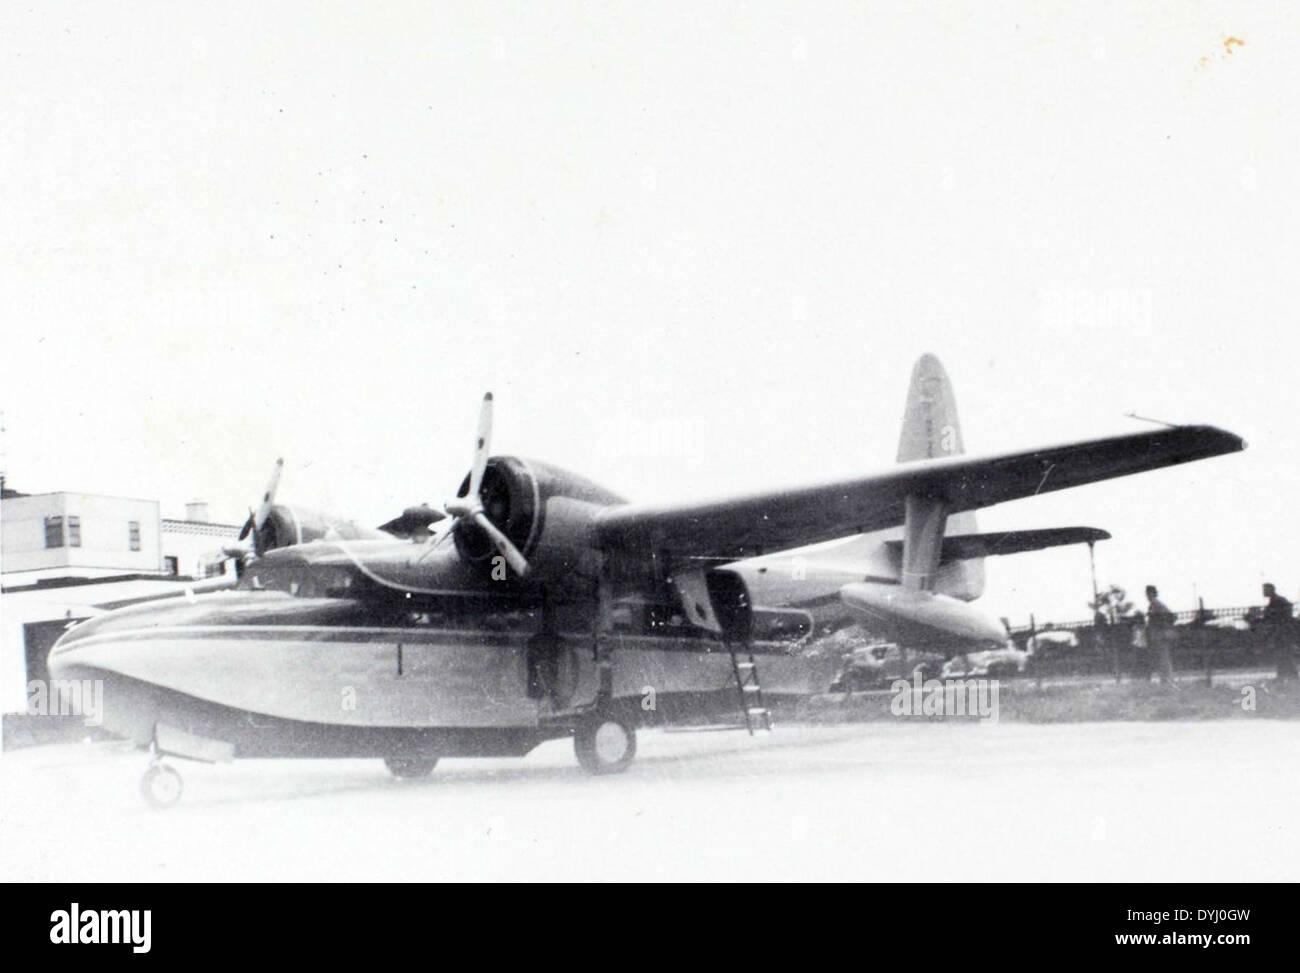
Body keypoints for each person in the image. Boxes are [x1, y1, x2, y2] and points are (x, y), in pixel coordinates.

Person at [1261, 583, 1297, 681]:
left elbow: (1275, 616)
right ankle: (1286, 675)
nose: (1263, 592)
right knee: (1282, 654)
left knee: (1284, 654)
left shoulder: (1278, 601)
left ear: (1271, 590)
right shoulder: (1275, 601)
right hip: (1281, 632)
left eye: (1265, 590)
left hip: (1282, 632)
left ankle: (1288, 676)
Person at [1145, 585, 1177, 686]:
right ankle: (1166, 679)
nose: (1147, 595)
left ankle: (1167, 680)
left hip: (1160, 635)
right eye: (1147, 593)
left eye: (1149, 593)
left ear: (1152, 593)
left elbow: (1168, 617)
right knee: (1162, 657)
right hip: (1159, 635)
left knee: (1163, 658)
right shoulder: (1155, 604)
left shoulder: (1155, 604)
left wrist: (1161, 626)